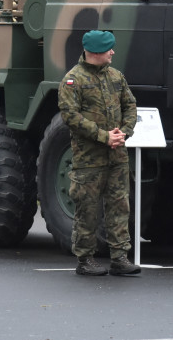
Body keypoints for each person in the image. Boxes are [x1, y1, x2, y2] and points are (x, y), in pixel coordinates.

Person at [58, 30, 139, 277]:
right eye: (109, 49)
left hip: (117, 157)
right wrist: (105, 137)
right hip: (89, 160)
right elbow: (70, 117)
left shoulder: (116, 77)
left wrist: (123, 132)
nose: (113, 52)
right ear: (95, 52)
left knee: (119, 206)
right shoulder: (73, 81)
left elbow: (130, 105)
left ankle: (119, 258)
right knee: (87, 210)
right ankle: (85, 259)